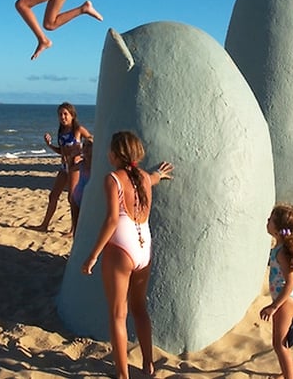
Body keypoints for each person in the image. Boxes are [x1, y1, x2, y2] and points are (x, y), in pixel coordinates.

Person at [82, 131, 174, 379]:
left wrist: (93, 255)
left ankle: (123, 374)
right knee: (140, 308)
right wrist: (159, 174)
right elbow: (153, 179)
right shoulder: (144, 177)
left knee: (117, 314)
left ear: (114, 155)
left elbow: (112, 220)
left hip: (121, 248)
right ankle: (148, 364)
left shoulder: (113, 179)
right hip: (144, 247)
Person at [259, 204, 293, 379]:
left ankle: (289, 377)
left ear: (278, 230)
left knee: (280, 345)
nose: (267, 221)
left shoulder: (282, 253)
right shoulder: (280, 248)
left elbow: (291, 282)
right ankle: (286, 372)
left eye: (271, 220)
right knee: (279, 343)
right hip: (285, 299)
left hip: (285, 301)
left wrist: (274, 306)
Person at [37, 102, 93, 232]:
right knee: (53, 196)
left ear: (72, 115)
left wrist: (80, 151)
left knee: (72, 199)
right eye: (60, 115)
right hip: (64, 167)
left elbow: (91, 141)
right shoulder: (61, 132)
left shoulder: (78, 129)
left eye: (65, 114)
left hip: (75, 168)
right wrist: (49, 145)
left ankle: (74, 229)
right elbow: (62, 151)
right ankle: (44, 225)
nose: (63, 117)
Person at [69, 136, 94, 237]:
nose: (86, 148)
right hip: (77, 197)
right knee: (76, 227)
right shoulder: (82, 163)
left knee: (88, 228)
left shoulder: (97, 164)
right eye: (84, 145)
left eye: (90, 145)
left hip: (89, 200)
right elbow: (71, 169)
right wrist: (72, 157)